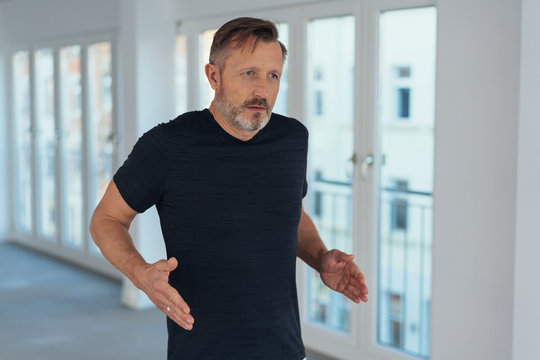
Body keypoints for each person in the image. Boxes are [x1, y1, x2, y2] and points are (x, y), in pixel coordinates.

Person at [90, 16, 368, 360]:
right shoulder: (167, 144)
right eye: (249, 73)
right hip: (202, 350)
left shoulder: (293, 138)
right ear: (213, 76)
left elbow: (288, 213)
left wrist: (320, 258)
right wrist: (141, 274)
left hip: (284, 348)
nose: (262, 90)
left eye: (273, 75)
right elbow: (105, 219)